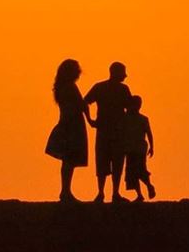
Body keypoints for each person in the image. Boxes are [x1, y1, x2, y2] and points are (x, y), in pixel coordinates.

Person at [45, 59, 95, 202]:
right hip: (73, 125)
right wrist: (90, 120)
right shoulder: (71, 87)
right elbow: (82, 105)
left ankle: (65, 191)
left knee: (67, 160)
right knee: (70, 159)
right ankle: (66, 191)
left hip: (64, 122)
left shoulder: (60, 87)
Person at [84, 61, 132, 203]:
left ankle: (105, 194)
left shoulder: (101, 87)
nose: (125, 75)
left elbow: (84, 102)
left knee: (106, 161)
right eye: (123, 72)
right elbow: (85, 102)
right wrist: (90, 120)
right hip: (114, 131)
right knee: (111, 161)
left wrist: (91, 120)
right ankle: (110, 193)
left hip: (108, 130)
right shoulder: (121, 89)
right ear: (115, 72)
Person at [123, 95, 156, 201]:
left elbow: (149, 133)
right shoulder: (127, 118)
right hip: (131, 148)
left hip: (138, 149)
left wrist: (152, 147)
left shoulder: (140, 119)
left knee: (138, 170)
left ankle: (148, 186)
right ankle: (140, 194)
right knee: (133, 172)